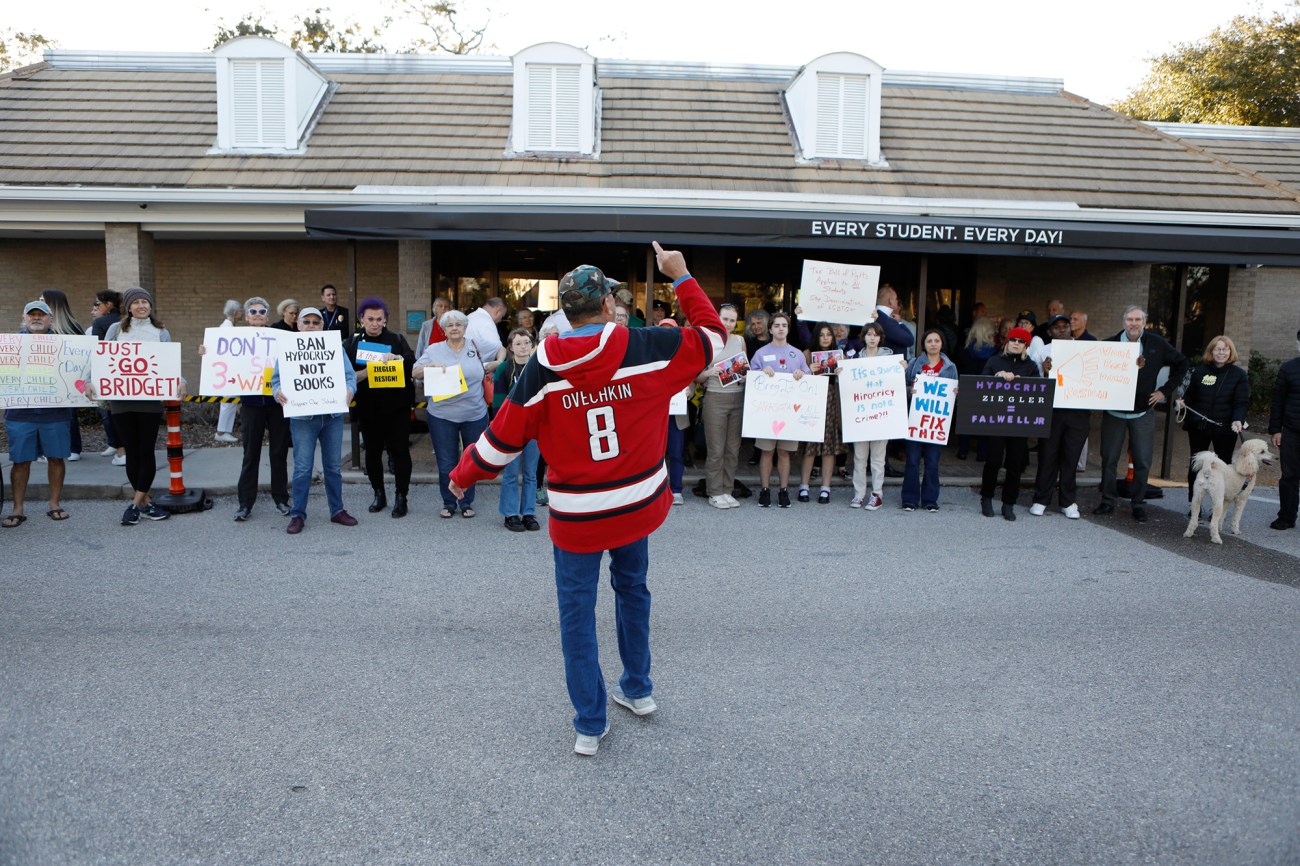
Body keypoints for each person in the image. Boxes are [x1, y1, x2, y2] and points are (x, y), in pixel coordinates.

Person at [448, 242, 726, 757]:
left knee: (576, 613)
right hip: (638, 503)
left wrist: (463, 475)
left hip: (577, 513)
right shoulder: (648, 346)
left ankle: (589, 723)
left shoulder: (542, 368)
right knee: (634, 590)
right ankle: (638, 689)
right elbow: (714, 336)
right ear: (606, 307)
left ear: (565, 313)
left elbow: (502, 439)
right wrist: (681, 275)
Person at [1094, 305, 1189, 523]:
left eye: (1138, 319)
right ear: (1123, 321)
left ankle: (1138, 503)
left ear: (1144, 322)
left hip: (1143, 412)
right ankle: (1108, 500)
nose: (1133, 323)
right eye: (1129, 319)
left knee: (1143, 461)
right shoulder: (1107, 345)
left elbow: (1182, 363)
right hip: (1114, 411)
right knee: (1108, 459)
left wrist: (1164, 391)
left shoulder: (1156, 344)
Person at [274, 307, 358, 534]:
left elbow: (350, 377)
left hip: (331, 417)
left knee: (333, 467)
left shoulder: (335, 348)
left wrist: (350, 390)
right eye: (307, 322)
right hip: (302, 418)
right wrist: (278, 392)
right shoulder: (288, 350)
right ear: (298, 325)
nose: (311, 326)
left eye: (316, 322)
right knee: (302, 469)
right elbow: (276, 381)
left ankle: (337, 511)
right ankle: (298, 514)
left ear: (323, 326)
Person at [101, 287, 180, 526]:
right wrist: (89, 382)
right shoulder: (115, 329)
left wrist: (181, 382)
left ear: (151, 306)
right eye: (136, 302)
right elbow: (104, 359)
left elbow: (170, 364)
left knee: (146, 451)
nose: (141, 306)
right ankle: (145, 504)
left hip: (149, 401)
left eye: (145, 302)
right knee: (132, 453)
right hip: (121, 401)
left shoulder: (160, 332)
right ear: (128, 306)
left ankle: (135, 505)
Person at [413, 309, 490, 519]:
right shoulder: (434, 349)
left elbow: (499, 353)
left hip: (474, 413)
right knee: (447, 461)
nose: (454, 328)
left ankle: (466, 502)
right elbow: (414, 371)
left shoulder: (475, 346)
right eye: (450, 325)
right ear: (444, 329)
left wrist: (499, 361)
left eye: (458, 324)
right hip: (442, 415)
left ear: (465, 327)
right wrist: (429, 365)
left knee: (471, 459)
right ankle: (449, 502)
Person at [2, 301, 73, 527]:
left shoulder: (65, 344)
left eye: (41, 315)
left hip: (55, 412)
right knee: (20, 461)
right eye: (31, 315)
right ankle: (18, 508)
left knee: (56, 457)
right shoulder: (9, 345)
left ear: (50, 320)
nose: (36, 318)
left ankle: (54, 504)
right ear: (24, 318)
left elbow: (78, 371)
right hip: (20, 413)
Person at [345, 297, 416, 519]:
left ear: (385, 320)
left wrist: (397, 359)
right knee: (373, 454)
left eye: (379, 319)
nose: (375, 323)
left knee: (400, 452)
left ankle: (401, 497)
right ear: (361, 320)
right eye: (370, 319)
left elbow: (412, 364)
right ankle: (378, 493)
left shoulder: (396, 339)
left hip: (397, 409)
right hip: (368, 409)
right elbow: (346, 377)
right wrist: (370, 370)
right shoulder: (352, 344)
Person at [223, 297, 291, 521]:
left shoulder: (279, 337)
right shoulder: (235, 339)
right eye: (253, 311)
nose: (258, 314)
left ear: (268, 315)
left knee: (279, 453)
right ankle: (245, 504)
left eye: (263, 311)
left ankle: (281, 499)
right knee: (250, 455)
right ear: (246, 315)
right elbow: (220, 357)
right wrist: (207, 351)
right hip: (251, 405)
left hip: (276, 403)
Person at [1176, 335, 1248, 513]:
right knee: (1197, 466)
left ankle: (1218, 509)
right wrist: (1182, 403)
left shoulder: (1239, 375)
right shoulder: (1200, 371)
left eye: (1225, 349)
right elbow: (1190, 396)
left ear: (1230, 352)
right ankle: (1195, 507)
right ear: (1211, 351)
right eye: (1217, 349)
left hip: (1225, 429)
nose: (1221, 352)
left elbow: (1241, 402)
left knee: (1222, 470)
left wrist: (1238, 418)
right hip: (1199, 427)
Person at [1030, 315, 1090, 519]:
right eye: (1057, 327)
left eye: (1065, 326)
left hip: (1078, 410)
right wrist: (1045, 373)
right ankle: (1041, 499)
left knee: (1070, 457)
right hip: (1051, 410)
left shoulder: (1084, 347)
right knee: (1048, 455)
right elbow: (1034, 383)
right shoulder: (1042, 351)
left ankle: (1068, 501)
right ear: (1050, 332)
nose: (1062, 330)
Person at [978, 327, 1041, 521]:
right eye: (1012, 339)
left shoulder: (1030, 366)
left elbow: (1038, 389)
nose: (1015, 343)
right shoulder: (994, 361)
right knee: (994, 460)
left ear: (1025, 346)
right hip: (996, 420)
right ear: (1007, 342)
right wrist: (996, 378)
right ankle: (986, 498)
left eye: (1020, 341)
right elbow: (979, 386)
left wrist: (1024, 383)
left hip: (1019, 421)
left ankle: (1008, 503)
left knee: (1015, 463)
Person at [749, 311, 809, 508]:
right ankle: (765, 490)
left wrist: (802, 373)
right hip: (767, 411)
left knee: (784, 452)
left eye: (784, 325)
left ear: (788, 329)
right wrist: (761, 372)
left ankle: (783, 491)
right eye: (777, 325)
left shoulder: (797, 354)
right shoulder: (761, 353)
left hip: (789, 412)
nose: (780, 328)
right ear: (770, 329)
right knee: (767, 451)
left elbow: (808, 382)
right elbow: (751, 377)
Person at [696, 303, 746, 509]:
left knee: (733, 449)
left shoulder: (740, 340)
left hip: (738, 397)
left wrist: (744, 374)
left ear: (736, 323)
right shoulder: (709, 341)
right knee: (716, 449)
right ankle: (714, 492)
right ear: (717, 318)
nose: (728, 323)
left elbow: (746, 367)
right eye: (724, 319)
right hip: (715, 398)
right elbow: (696, 377)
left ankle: (727, 489)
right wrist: (708, 373)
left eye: (732, 320)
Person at [902, 329, 957, 512]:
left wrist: (955, 393)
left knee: (932, 461)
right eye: (929, 341)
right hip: (915, 420)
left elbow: (953, 395)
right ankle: (909, 499)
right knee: (912, 460)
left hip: (936, 423)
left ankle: (930, 500)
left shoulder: (950, 367)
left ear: (942, 344)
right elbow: (902, 387)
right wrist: (910, 390)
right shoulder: (914, 364)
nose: (933, 344)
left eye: (937, 340)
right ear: (924, 344)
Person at [849, 321, 903, 511]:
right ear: (863, 337)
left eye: (876, 335)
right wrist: (842, 373)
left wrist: (900, 368)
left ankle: (877, 494)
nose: (872, 338)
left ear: (881, 338)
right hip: (861, 415)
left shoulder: (890, 359)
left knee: (878, 459)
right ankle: (859, 494)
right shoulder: (855, 359)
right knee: (859, 457)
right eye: (869, 334)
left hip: (881, 415)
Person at [494, 328, 541, 531]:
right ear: (511, 347)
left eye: (526, 342)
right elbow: (497, 403)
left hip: (534, 428)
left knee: (531, 473)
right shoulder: (503, 368)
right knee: (511, 472)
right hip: (511, 428)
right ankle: (510, 513)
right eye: (518, 343)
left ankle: (529, 512)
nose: (523, 347)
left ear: (532, 345)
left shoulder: (539, 368)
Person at [798, 322, 847, 504]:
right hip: (812, 399)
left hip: (832, 399)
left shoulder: (840, 355)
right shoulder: (807, 354)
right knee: (810, 446)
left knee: (829, 447)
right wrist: (808, 372)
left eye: (829, 334)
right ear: (816, 336)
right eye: (822, 334)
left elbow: (850, 380)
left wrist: (843, 371)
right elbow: (798, 378)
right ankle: (804, 485)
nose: (826, 337)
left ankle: (825, 487)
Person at [39, 289, 86, 461]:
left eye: (43, 300)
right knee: (44, 415)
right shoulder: (40, 327)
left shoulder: (71, 326)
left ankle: (74, 448)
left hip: (66, 377)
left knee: (69, 414)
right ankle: (45, 449)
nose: (39, 302)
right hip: (44, 376)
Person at [88, 290, 125, 463]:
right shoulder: (131, 322)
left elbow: (98, 351)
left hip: (111, 374)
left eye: (97, 304)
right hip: (134, 374)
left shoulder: (101, 323)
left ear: (108, 305)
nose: (95, 307)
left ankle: (120, 450)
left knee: (112, 413)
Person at [1269, 327, 1300, 530]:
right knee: (1289, 476)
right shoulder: (1288, 369)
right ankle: (1286, 517)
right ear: (1298, 343)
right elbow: (1277, 401)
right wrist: (1276, 430)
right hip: (1292, 431)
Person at [955, 316, 998, 460]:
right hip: (987, 389)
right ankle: (982, 453)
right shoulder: (995, 353)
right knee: (985, 422)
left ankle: (963, 451)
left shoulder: (963, 351)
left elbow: (958, 371)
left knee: (966, 421)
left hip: (968, 389)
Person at [214, 299, 242, 443]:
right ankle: (221, 431)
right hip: (227, 370)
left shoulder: (227, 327)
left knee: (230, 401)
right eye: (240, 312)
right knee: (228, 402)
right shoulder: (227, 329)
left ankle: (224, 430)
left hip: (228, 370)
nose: (242, 314)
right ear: (235, 313)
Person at [465, 297, 506, 366]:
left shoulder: (470, 316)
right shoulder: (487, 321)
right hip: (475, 369)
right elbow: (499, 348)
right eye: (501, 316)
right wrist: (499, 362)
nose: (500, 321)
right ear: (497, 312)